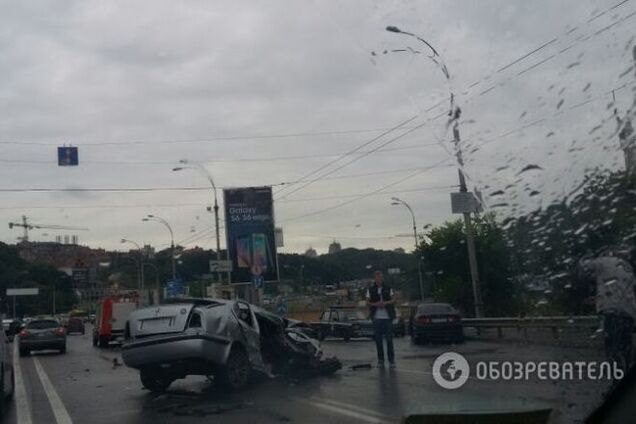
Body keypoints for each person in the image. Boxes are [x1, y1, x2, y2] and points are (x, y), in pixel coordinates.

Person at [579, 248, 636, 369]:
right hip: (629, 312)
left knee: (612, 347)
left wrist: (587, 256)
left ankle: (617, 377)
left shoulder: (604, 262)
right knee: (626, 346)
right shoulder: (627, 267)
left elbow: (584, 266)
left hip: (612, 312)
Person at [366, 270, 396, 368]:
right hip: (376, 317)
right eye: (377, 277)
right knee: (378, 340)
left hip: (387, 317)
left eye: (380, 277)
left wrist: (385, 303)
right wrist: (376, 304)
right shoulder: (370, 289)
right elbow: (367, 302)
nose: (379, 279)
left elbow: (393, 299)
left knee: (389, 340)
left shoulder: (388, 288)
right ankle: (381, 360)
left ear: (382, 278)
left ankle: (391, 361)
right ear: (375, 279)